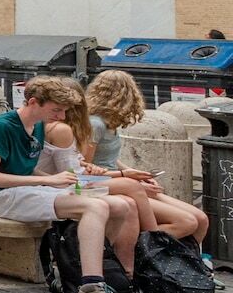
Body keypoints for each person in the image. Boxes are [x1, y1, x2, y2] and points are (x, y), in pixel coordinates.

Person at [0, 75, 145, 293]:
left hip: (25, 190)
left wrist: (59, 180)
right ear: (33, 102)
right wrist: (47, 180)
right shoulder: (2, 126)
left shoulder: (36, 126)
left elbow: (25, 166)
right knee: (95, 208)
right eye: (56, 110)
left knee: (121, 206)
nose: (62, 117)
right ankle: (91, 287)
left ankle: (104, 272)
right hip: (0, 197)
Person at [76, 71, 209, 249]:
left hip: (121, 181)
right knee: (186, 222)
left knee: (201, 219)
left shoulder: (110, 124)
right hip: (104, 185)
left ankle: (187, 263)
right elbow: (86, 170)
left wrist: (138, 174)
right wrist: (127, 176)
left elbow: (109, 159)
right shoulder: (96, 125)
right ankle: (148, 254)